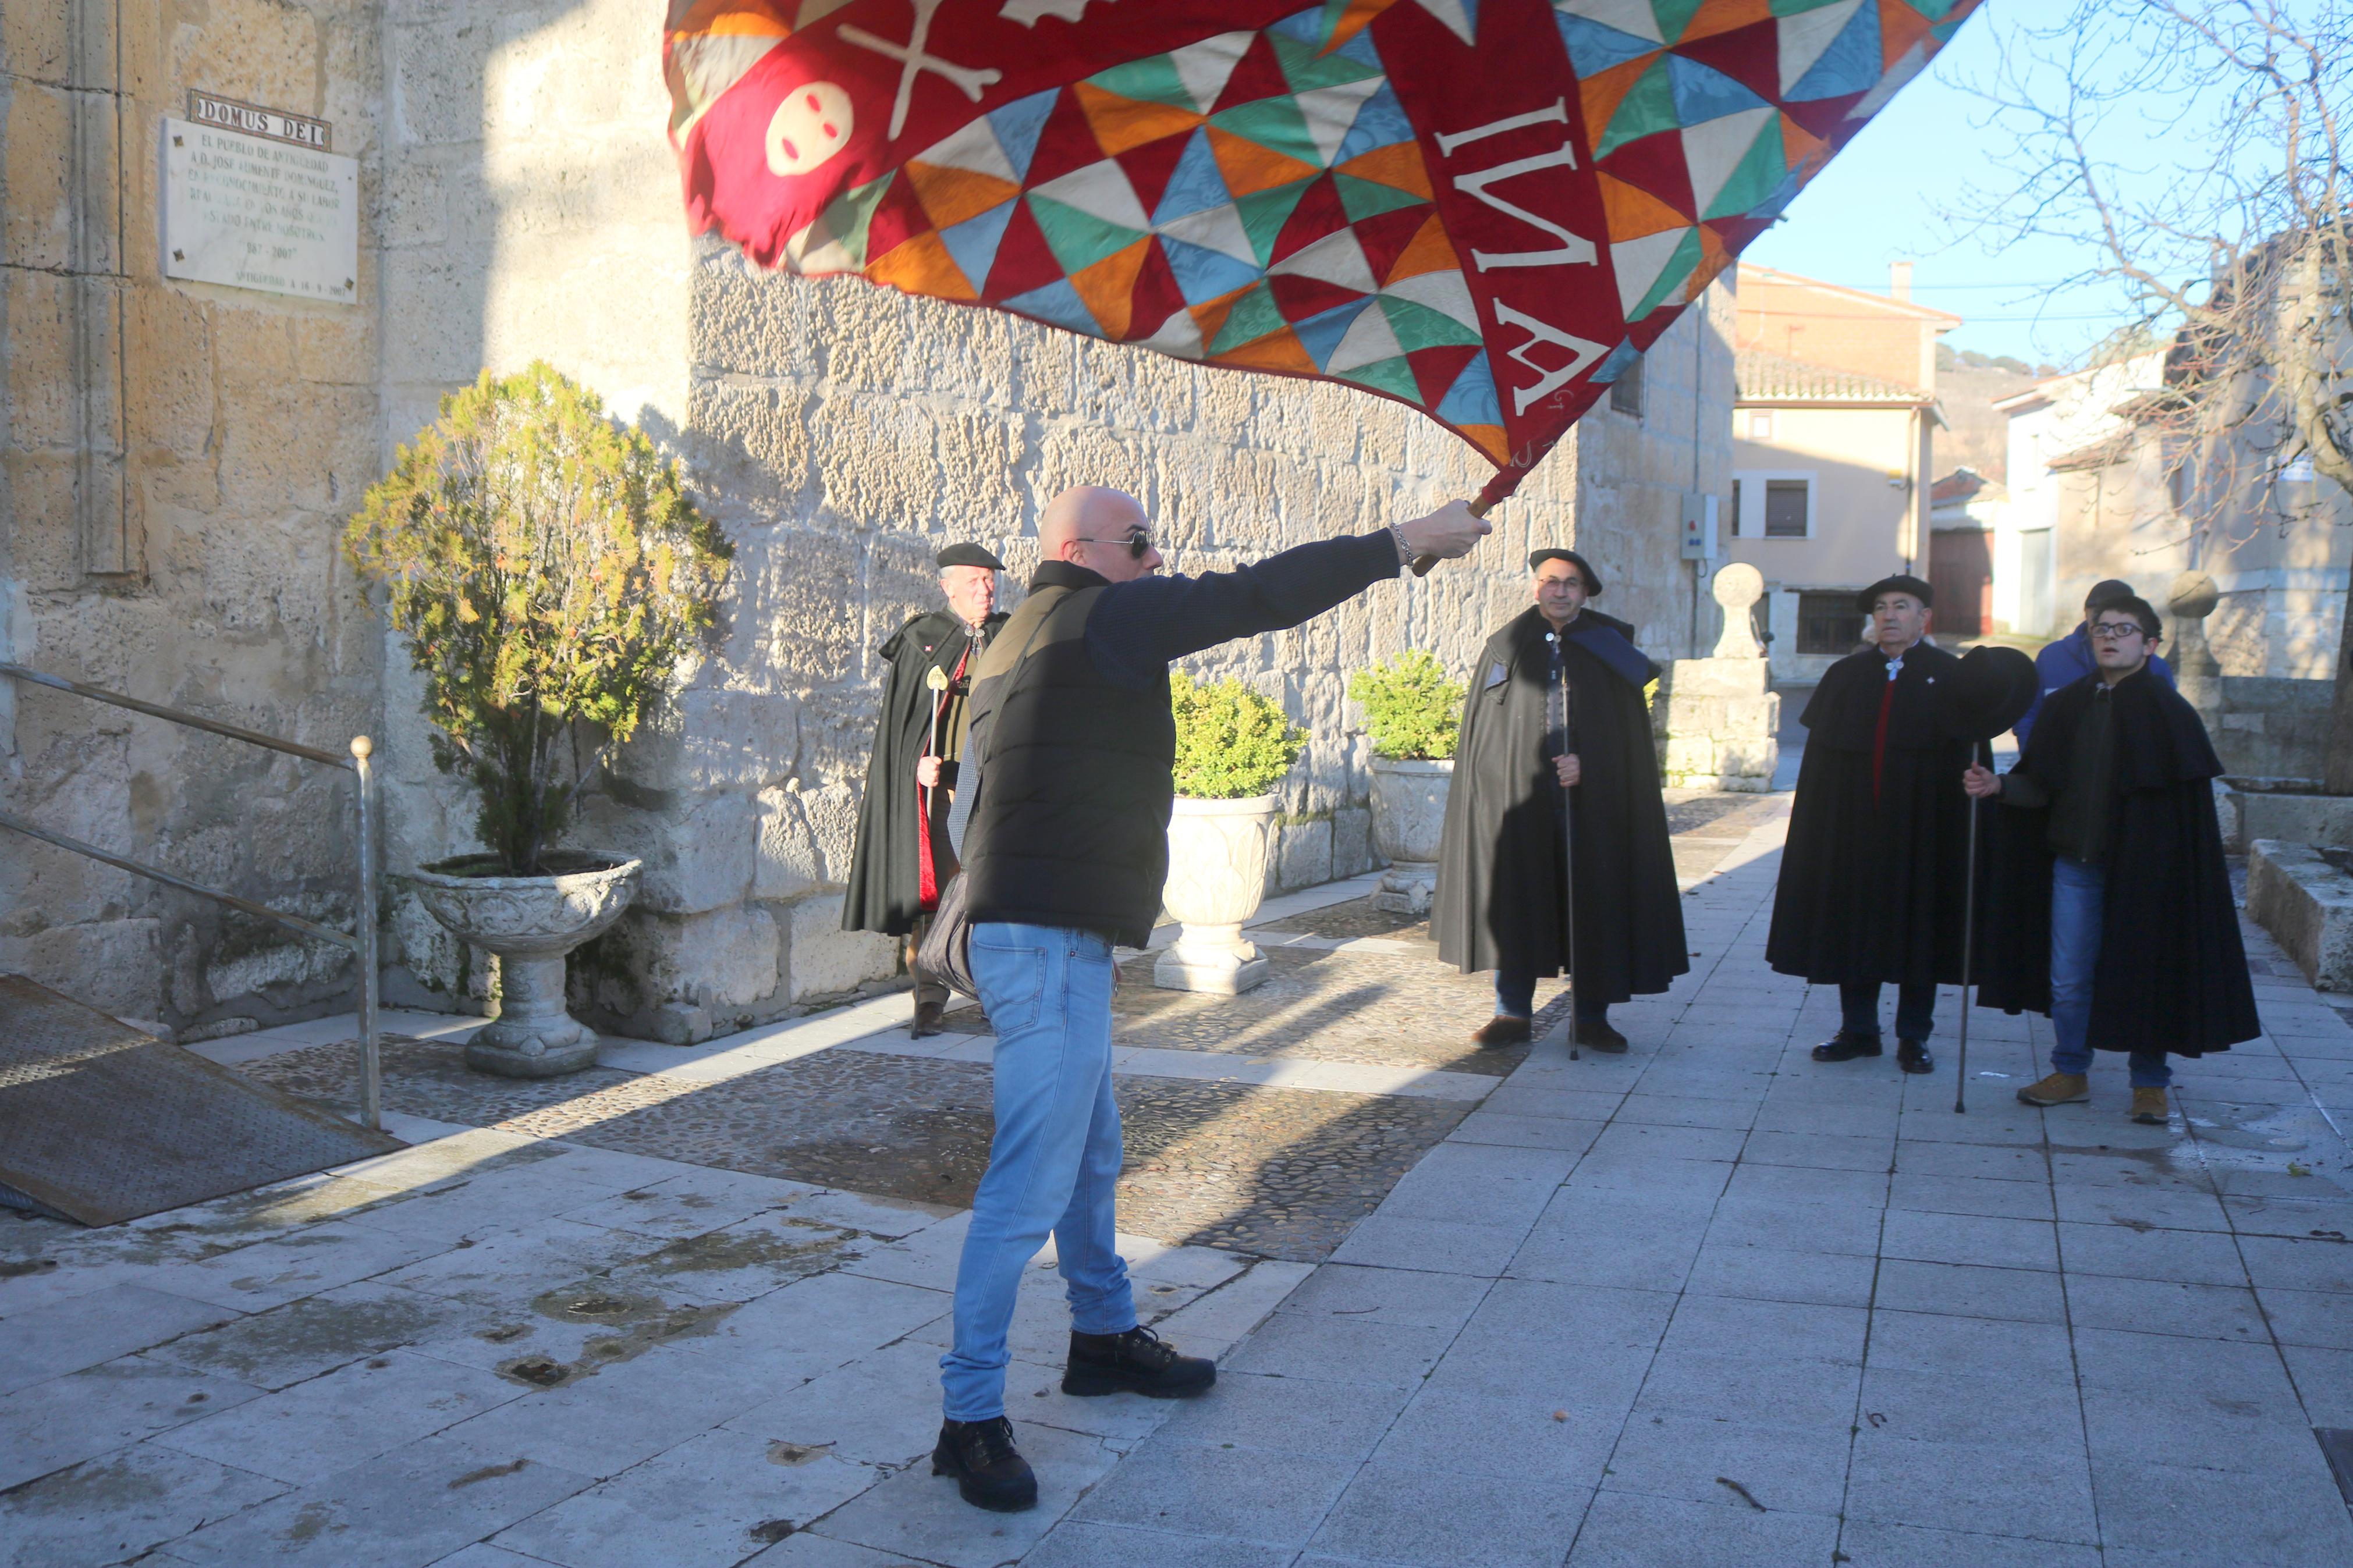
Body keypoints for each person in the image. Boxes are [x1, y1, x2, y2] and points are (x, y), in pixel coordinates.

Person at [930, 485, 1489, 1512]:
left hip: (1046, 930)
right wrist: (1403, 541)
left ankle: (1100, 1337)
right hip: (1045, 938)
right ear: (1076, 548)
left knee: (1090, 1154)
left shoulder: (1017, 633)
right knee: (1025, 1187)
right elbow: (1257, 596)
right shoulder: (1102, 612)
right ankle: (967, 1417)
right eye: (1139, 542)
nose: (1155, 559)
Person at [1967, 595, 2259, 1122]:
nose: (2109, 636)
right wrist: (1999, 785)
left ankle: (2149, 1083)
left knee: (2148, 970)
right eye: (2101, 628)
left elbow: (2185, 817)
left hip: (2145, 874)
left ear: (2148, 646)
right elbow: (2042, 786)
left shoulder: (2171, 713)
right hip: (2074, 868)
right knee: (2068, 978)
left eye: (2124, 630)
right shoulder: (2064, 705)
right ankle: (2071, 1070)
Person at [1433, 548, 1685, 1051]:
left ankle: (1591, 1016)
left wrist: (1589, 763)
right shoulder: (1507, 647)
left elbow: (1630, 737)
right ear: (1536, 588)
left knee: (1595, 903)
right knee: (1516, 901)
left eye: (1571, 583)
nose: (1560, 591)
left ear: (1585, 592)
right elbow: (1485, 732)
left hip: (1592, 808)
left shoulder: (1609, 648)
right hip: (1521, 798)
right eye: (1551, 582)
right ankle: (1512, 1013)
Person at [1767, 575, 1969, 1074]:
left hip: (1920, 832)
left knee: (1918, 930)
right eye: (1880, 607)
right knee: (1852, 928)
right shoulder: (1846, 675)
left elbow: (1967, 759)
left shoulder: (1950, 676)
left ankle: (1913, 1036)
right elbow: (1819, 766)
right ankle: (1858, 1030)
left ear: (1925, 617)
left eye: (1901, 606)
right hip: (1853, 831)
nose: (1889, 616)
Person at [840, 543, 1009, 1036]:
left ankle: (992, 994)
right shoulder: (925, 640)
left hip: (991, 789)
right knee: (935, 891)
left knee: (988, 893)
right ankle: (930, 997)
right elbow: (902, 727)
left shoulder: (1003, 635)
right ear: (948, 586)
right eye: (975, 580)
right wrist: (917, 766)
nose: (986, 588)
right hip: (944, 793)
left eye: (990, 580)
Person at [2014, 578, 2175, 747]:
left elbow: (2171, 732)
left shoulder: (2156, 669)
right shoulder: (2051, 658)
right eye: (2099, 619)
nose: (2110, 634)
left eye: (2122, 627)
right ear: (2086, 614)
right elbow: (2028, 716)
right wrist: (2033, 761)